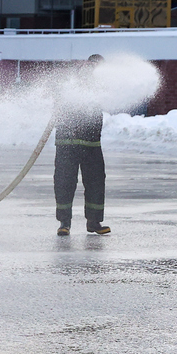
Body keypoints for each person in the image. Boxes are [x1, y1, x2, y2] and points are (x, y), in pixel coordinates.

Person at [53, 54, 110, 236]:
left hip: (91, 145)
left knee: (96, 182)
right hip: (67, 145)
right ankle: (64, 222)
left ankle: (93, 222)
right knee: (65, 182)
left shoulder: (99, 84)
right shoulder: (74, 80)